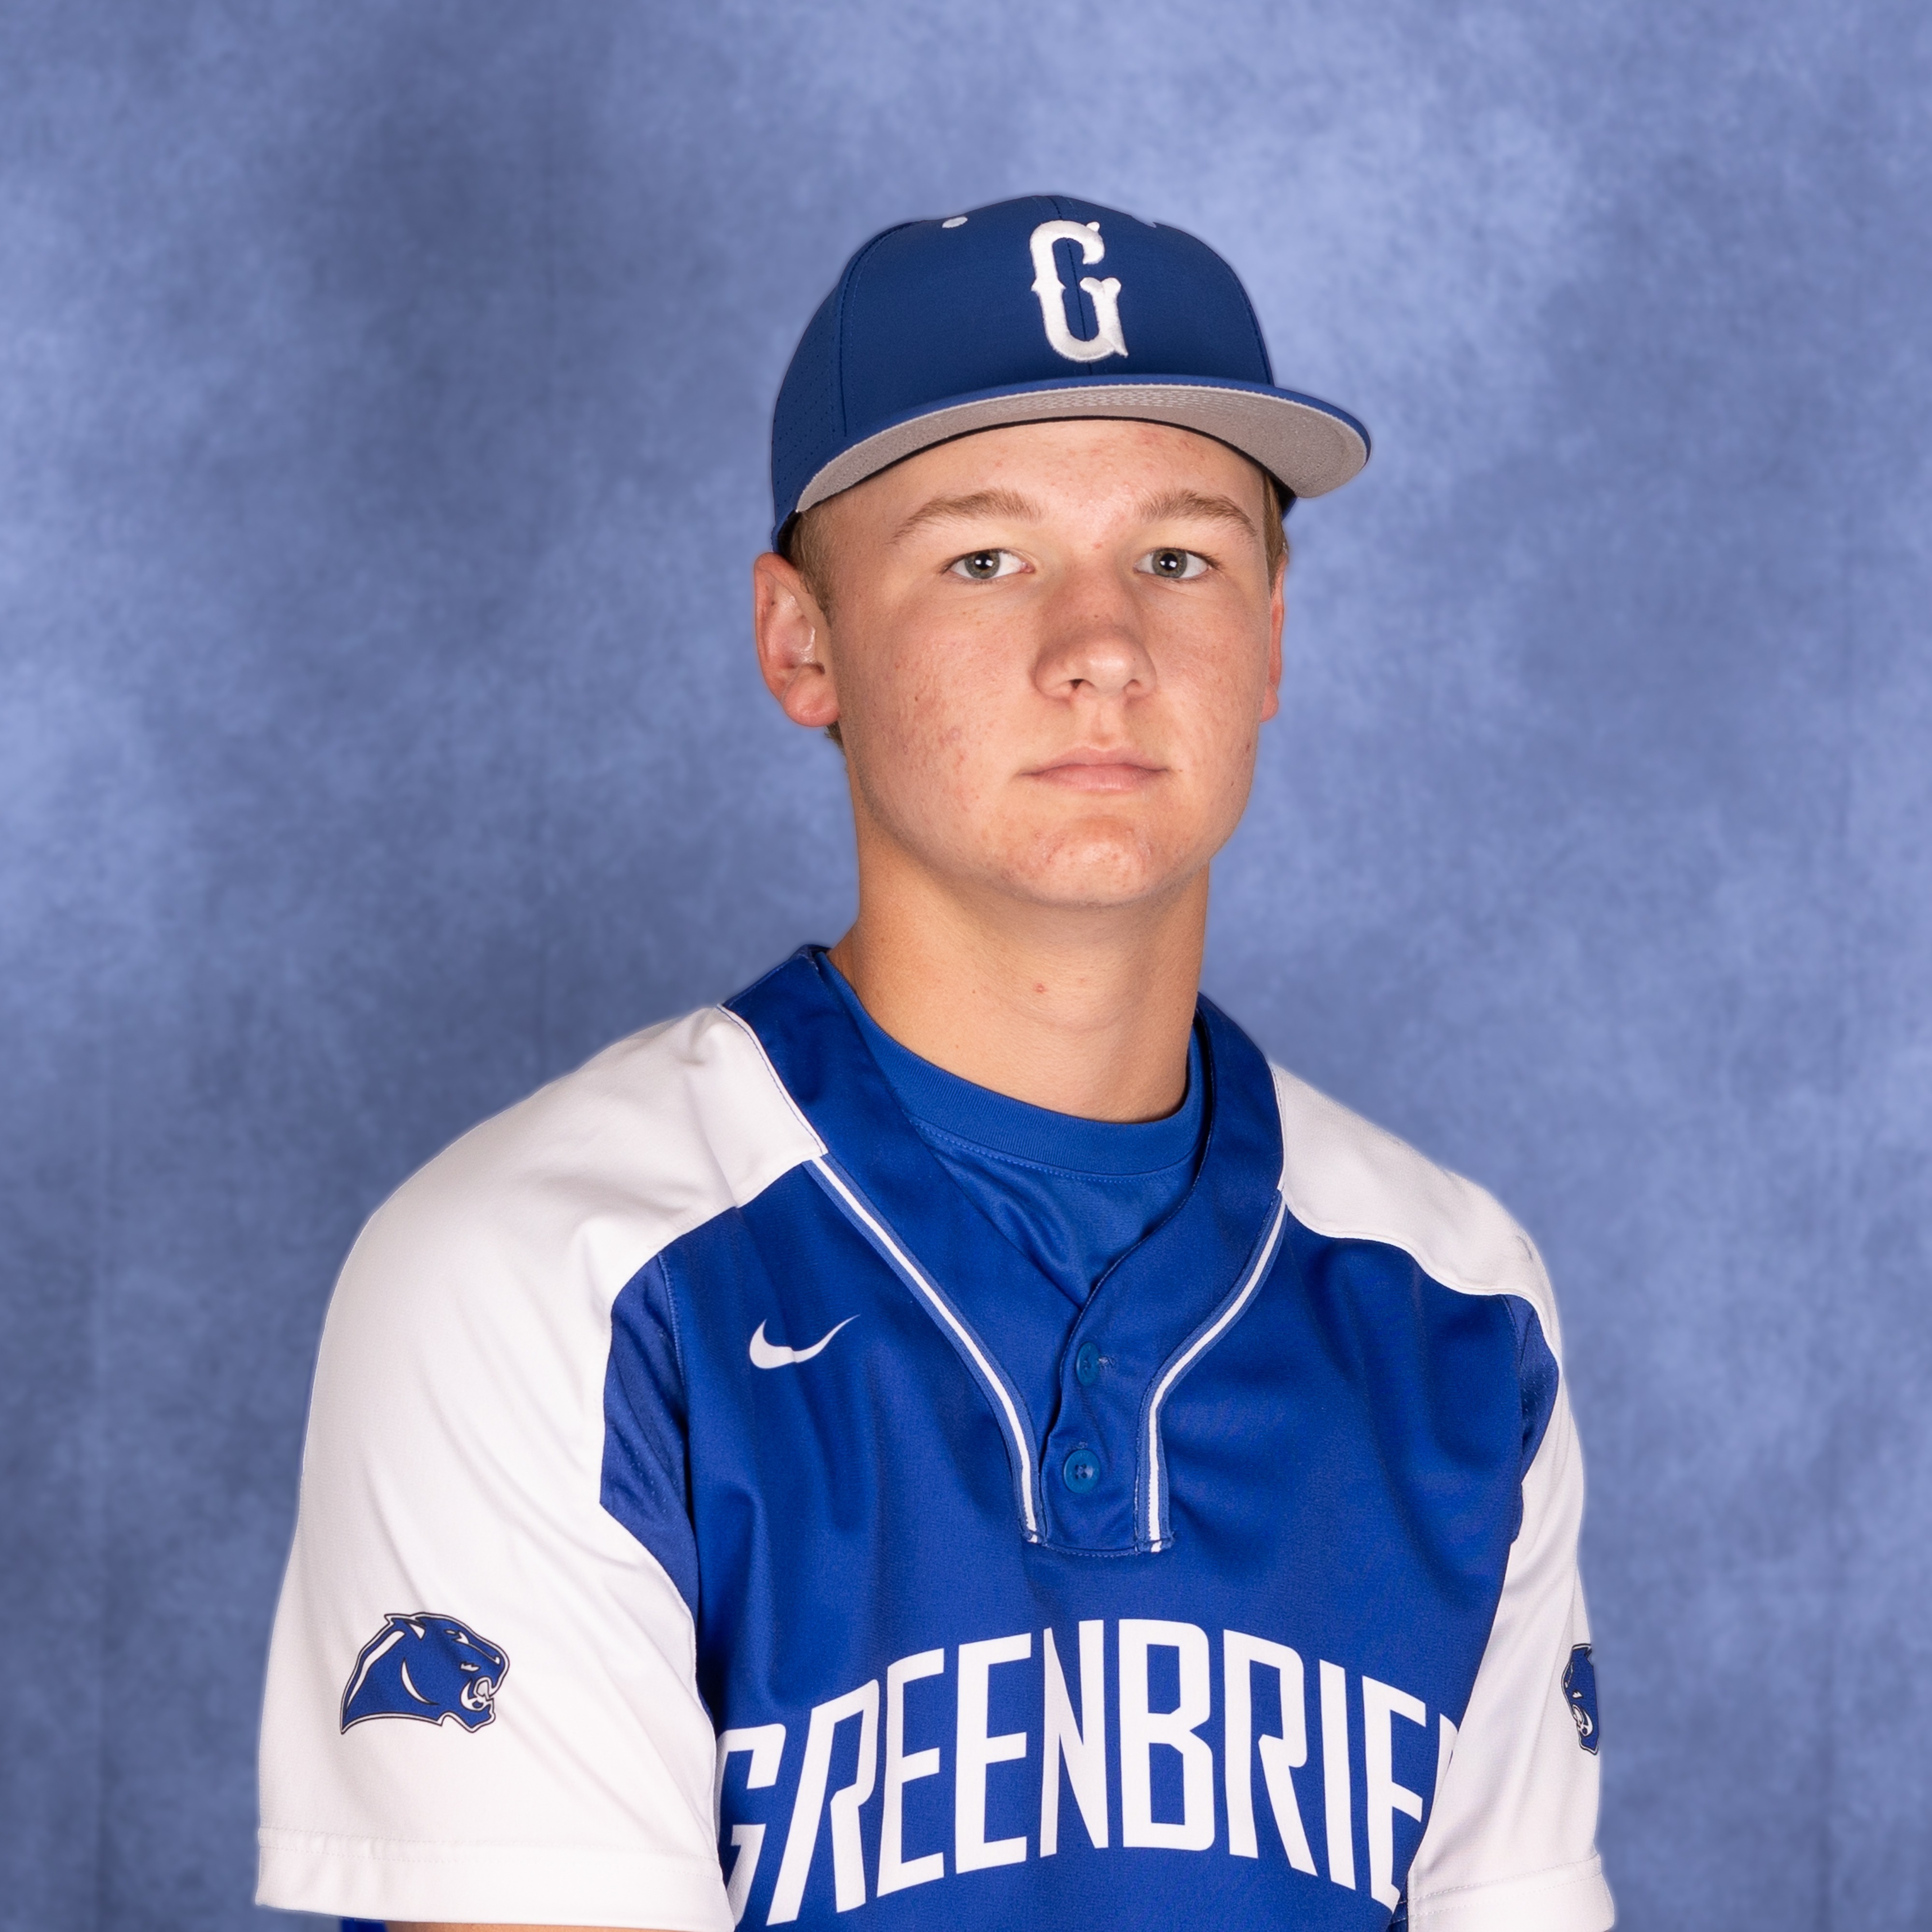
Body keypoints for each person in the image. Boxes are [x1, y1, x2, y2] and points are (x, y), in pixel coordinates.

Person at [258, 194, 1613, 1932]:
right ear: (802, 643)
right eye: (986, 559)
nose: (1103, 648)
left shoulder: (1460, 1297)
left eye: (1179, 558)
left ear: (1272, 636)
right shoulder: (543, 1274)